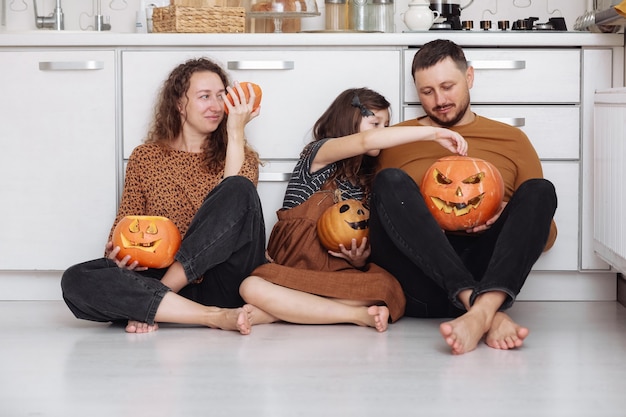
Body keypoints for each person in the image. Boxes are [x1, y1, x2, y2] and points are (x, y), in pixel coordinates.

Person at [370, 39, 558, 354]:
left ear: (469, 77)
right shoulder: (398, 139)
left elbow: (546, 234)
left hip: (486, 271)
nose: (439, 100)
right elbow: (381, 214)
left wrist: (505, 212)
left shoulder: (511, 139)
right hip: (419, 283)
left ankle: (479, 311)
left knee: (541, 189)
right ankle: (485, 312)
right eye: (427, 92)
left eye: (448, 86)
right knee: (389, 181)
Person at [61, 58, 267, 335]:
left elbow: (232, 202)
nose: (217, 106)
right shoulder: (145, 158)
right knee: (76, 279)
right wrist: (117, 256)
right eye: (204, 97)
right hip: (165, 280)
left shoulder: (241, 154)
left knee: (239, 188)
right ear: (179, 104)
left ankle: (153, 300)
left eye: (221, 96)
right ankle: (212, 316)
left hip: (224, 279)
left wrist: (235, 132)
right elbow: (125, 225)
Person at [239, 87, 467, 332]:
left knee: (388, 287)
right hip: (296, 267)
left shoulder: (367, 183)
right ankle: (355, 314)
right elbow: (364, 140)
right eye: (375, 123)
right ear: (349, 119)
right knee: (250, 287)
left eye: (387, 126)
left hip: (338, 273)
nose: (383, 133)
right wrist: (433, 132)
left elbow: (363, 244)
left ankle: (282, 311)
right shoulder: (318, 154)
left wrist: (359, 259)